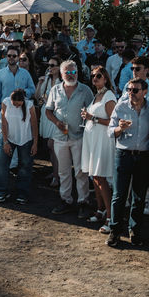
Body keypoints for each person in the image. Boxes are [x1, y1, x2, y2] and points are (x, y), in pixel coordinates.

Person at [105, 78, 149, 246]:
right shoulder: (120, 106)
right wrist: (119, 129)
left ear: (145, 92)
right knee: (119, 195)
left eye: (135, 90)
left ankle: (135, 230)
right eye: (129, 90)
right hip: (124, 154)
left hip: (144, 156)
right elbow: (110, 132)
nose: (131, 93)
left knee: (139, 196)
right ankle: (115, 231)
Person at [44, 60, 94, 217]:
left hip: (79, 136)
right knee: (63, 171)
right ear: (61, 74)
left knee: (80, 171)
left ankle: (83, 201)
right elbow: (48, 111)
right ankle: (66, 200)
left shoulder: (85, 90)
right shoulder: (55, 90)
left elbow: (92, 112)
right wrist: (56, 122)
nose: (72, 75)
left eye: (74, 72)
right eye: (68, 72)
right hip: (60, 136)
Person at [80, 67, 118, 230]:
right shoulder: (96, 95)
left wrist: (92, 118)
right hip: (92, 139)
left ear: (105, 78)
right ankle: (100, 209)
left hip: (103, 140)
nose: (95, 78)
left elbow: (113, 122)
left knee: (101, 177)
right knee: (94, 177)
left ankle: (110, 216)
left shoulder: (109, 96)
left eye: (98, 75)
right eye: (93, 76)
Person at [0, 89, 38, 203]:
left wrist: (35, 143)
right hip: (8, 137)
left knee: (25, 167)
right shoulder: (5, 102)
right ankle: (1, 192)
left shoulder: (29, 105)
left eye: (18, 104)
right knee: (1, 165)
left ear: (23, 101)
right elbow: (4, 122)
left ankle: (22, 193)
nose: (16, 106)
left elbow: (34, 124)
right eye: (14, 103)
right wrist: (5, 142)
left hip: (26, 139)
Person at [36, 57, 63, 189]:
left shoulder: (62, 82)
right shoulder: (46, 80)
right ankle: (55, 172)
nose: (50, 67)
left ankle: (58, 176)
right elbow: (37, 97)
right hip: (46, 114)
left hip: (57, 116)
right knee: (51, 149)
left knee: (53, 145)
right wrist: (40, 83)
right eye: (49, 65)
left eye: (53, 65)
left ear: (59, 67)